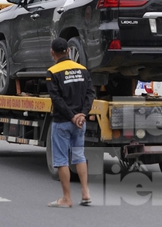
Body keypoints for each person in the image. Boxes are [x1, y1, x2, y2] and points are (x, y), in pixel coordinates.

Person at [45, 37, 94, 208]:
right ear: (68, 50)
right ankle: (86, 193)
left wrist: (71, 116)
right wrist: (82, 114)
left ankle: (66, 198)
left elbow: (56, 100)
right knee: (79, 156)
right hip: (80, 122)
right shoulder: (82, 69)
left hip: (62, 122)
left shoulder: (52, 71)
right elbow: (90, 94)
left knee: (61, 160)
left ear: (53, 52)